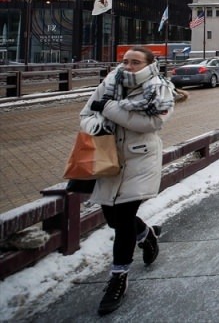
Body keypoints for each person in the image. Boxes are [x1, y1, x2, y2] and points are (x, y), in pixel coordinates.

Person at [79, 45, 187, 315]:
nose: (128, 67)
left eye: (135, 62)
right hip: (108, 158)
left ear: (149, 65)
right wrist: (99, 125)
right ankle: (146, 234)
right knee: (113, 218)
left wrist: (110, 110)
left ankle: (118, 278)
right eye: (125, 61)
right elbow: (87, 114)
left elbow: (149, 124)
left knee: (124, 218)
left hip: (140, 160)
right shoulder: (110, 82)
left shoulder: (159, 90)